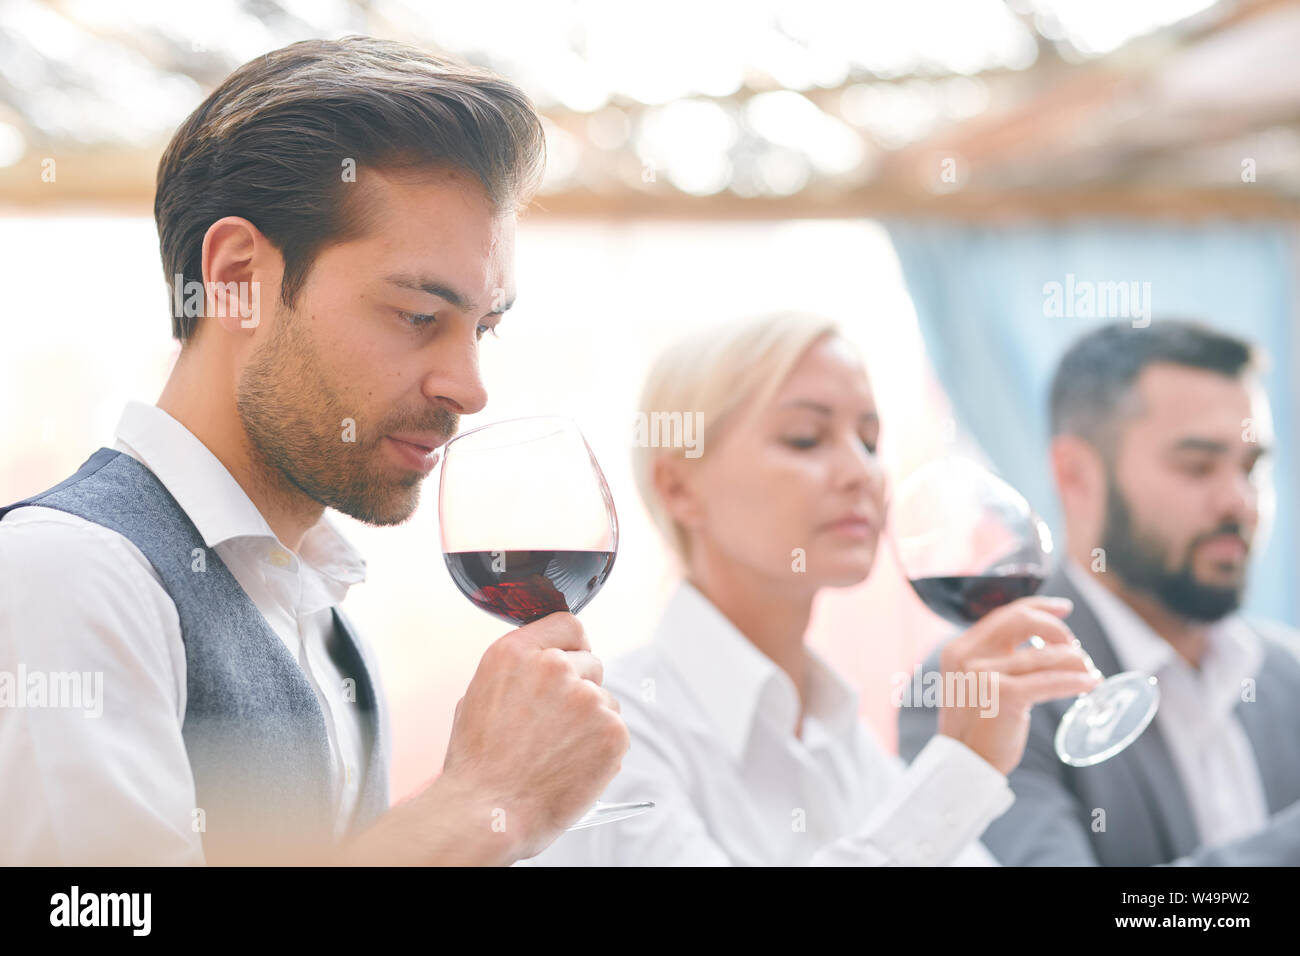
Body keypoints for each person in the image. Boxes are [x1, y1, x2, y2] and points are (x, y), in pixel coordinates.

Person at [0, 36, 629, 866]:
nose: (470, 387)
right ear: (234, 275)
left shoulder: (326, 626)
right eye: (416, 315)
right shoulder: (68, 576)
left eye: (483, 327)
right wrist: (480, 803)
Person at [528, 311, 1098, 866]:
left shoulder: (838, 729)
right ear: (679, 487)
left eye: (870, 441)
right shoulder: (611, 730)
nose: (862, 473)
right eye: (805, 438)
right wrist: (960, 770)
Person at [899, 319, 1300, 865]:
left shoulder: (1287, 672)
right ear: (1076, 475)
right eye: (1198, 466)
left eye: (1253, 468)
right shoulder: (989, 695)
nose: (1240, 502)